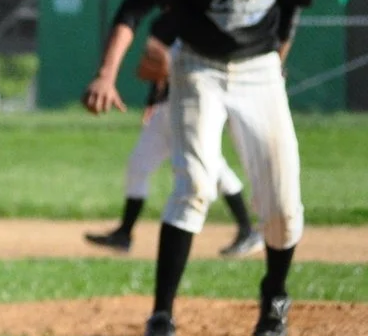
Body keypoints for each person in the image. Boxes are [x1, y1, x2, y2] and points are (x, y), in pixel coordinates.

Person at [82, 0, 311, 336]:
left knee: (283, 200)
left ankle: (274, 298)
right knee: (194, 186)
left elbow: (291, 9)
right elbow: (132, 8)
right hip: (199, 69)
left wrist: (279, 62)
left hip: (259, 71)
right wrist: (106, 74)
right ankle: (161, 316)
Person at [84, 18, 260, 257]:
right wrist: (151, 101)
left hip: (192, 106)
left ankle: (247, 230)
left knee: (215, 168)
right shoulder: (166, 24)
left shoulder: (202, 20)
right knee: (138, 166)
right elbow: (157, 72)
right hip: (165, 108)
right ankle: (124, 234)